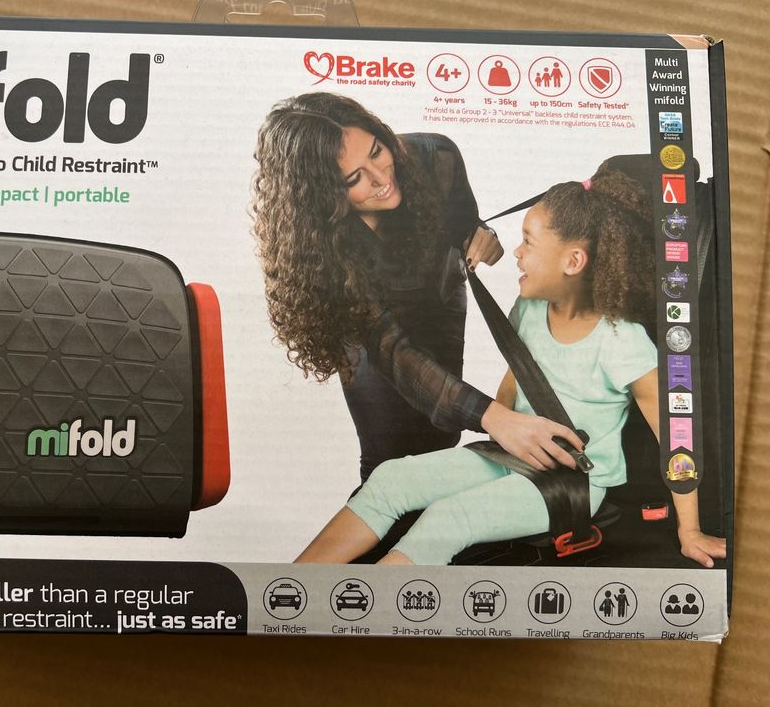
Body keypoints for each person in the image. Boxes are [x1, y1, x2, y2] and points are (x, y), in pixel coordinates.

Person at [294, 169, 727, 567]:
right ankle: (291, 587)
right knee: (391, 479)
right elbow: (519, 376)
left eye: (528, 242)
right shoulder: (530, 309)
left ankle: (365, 610)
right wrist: (495, 430)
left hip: (574, 483)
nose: (516, 253)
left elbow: (677, 438)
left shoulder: (622, 342)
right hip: (513, 454)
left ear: (573, 262)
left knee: (449, 517)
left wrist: (689, 530)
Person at [252, 92, 584, 484]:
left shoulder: (436, 157)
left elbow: (462, 222)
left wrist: (478, 235)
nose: (381, 179)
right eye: (354, 179)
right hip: (370, 328)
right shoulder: (322, 249)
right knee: (386, 455)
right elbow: (394, 352)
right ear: (324, 196)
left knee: (441, 436)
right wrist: (499, 420)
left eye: (377, 152)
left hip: (438, 299)